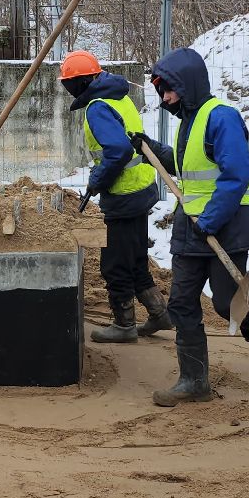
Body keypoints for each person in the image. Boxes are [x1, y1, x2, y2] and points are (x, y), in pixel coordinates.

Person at [128, 47, 249, 406]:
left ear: (187, 84)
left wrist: (210, 220)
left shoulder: (221, 117)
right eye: (161, 92)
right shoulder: (188, 123)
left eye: (168, 89)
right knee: (181, 303)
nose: (165, 98)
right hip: (191, 229)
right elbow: (186, 169)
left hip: (226, 225)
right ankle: (193, 380)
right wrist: (150, 148)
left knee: (226, 303)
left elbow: (236, 175)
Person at [60, 50, 171, 342]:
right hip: (141, 189)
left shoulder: (97, 107)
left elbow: (119, 151)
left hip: (123, 195)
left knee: (114, 264)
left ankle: (124, 326)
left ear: (79, 83)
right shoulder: (118, 97)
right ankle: (159, 314)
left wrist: (98, 178)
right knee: (135, 259)